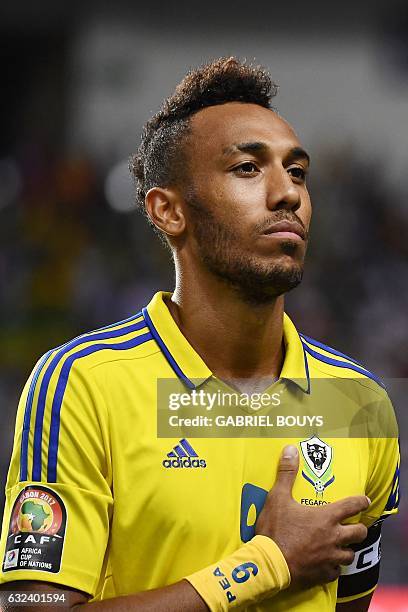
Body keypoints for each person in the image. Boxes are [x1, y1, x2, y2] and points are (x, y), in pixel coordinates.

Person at [0, 57, 400, 611]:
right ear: (168, 211)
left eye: (298, 172)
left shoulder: (359, 404)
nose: (287, 194)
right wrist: (264, 566)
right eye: (247, 169)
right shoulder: (83, 385)